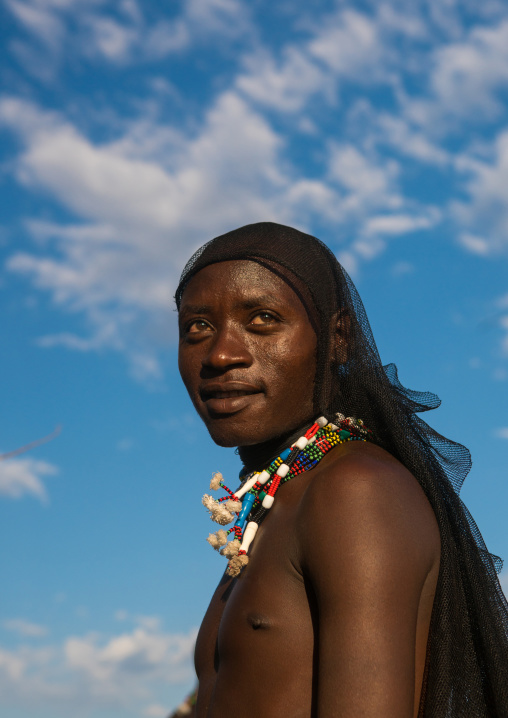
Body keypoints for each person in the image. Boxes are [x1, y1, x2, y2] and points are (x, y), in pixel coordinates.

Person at [174, 222, 508, 718]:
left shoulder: (355, 491)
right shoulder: (277, 501)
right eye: (198, 326)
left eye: (262, 319)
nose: (222, 354)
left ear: (339, 339)